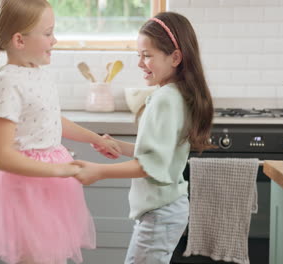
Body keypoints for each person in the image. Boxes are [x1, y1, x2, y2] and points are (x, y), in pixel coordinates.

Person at [0, 0, 121, 263]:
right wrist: (60, 170)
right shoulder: (8, 82)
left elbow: (52, 121)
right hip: (25, 188)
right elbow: (3, 156)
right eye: (48, 33)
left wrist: (96, 138)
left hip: (51, 184)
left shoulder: (38, 73)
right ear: (19, 40)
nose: (55, 40)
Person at [73, 11, 214, 264]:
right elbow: (160, 153)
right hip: (169, 208)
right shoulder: (178, 95)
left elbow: (150, 166)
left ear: (175, 58)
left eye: (147, 56)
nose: (139, 63)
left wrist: (99, 171)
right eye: (139, 55)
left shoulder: (164, 100)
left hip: (160, 214)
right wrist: (122, 147)